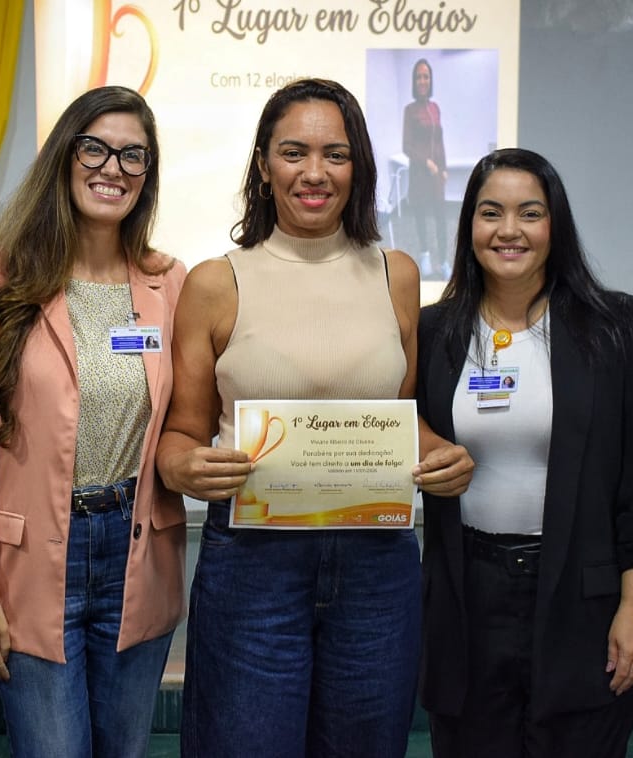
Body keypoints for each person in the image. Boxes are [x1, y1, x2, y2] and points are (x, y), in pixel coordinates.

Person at [158, 77, 470, 757]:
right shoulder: (216, 282)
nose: (314, 172)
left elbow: (400, 419)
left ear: (358, 168)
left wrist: (441, 452)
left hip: (377, 564)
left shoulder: (396, 275)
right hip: (253, 564)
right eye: (294, 152)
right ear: (264, 166)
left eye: (336, 154)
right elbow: (181, 434)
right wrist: (183, 466)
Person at [415, 148, 633, 757]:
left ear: (555, 224)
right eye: (491, 213)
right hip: (466, 598)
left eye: (529, 213)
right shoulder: (434, 331)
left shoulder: (615, 325)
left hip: (583, 599)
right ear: (469, 226)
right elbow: (405, 432)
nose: (509, 230)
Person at [0, 85, 186, 757]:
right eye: (95, 148)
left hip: (137, 554)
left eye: (133, 156)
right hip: (30, 561)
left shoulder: (170, 282)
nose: (113, 168)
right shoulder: (6, 277)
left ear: (147, 174)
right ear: (64, 155)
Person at [402, 58, 449, 279]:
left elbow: (440, 141)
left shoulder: (435, 108)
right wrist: (426, 162)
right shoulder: (409, 110)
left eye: (426, 76)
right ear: (414, 81)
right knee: (420, 215)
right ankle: (424, 255)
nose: (422, 80)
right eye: (419, 77)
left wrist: (444, 167)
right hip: (420, 173)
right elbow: (406, 146)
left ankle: (444, 261)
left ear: (431, 80)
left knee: (441, 217)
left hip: (436, 174)